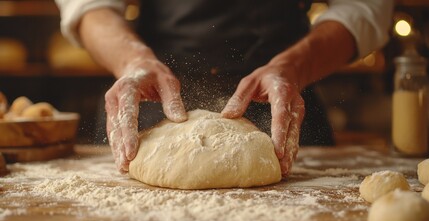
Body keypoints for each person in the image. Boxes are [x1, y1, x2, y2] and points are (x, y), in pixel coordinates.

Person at [55, 0, 393, 176]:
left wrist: (292, 67)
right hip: (151, 104)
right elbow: (88, 5)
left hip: (284, 102)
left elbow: (365, 6)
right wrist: (132, 61)